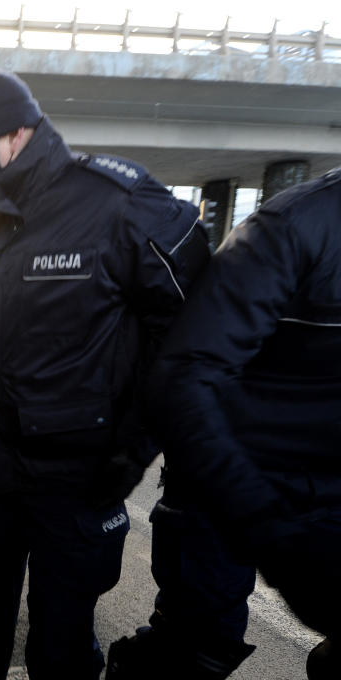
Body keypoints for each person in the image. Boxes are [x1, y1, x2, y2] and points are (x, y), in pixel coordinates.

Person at [0, 68, 211, 680]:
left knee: (59, 644)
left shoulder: (115, 204)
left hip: (79, 475)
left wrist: (137, 443)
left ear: (13, 135)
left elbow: (194, 332)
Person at [140, 168, 341, 680]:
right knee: (196, 652)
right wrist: (273, 533)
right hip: (230, 479)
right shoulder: (294, 225)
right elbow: (185, 377)